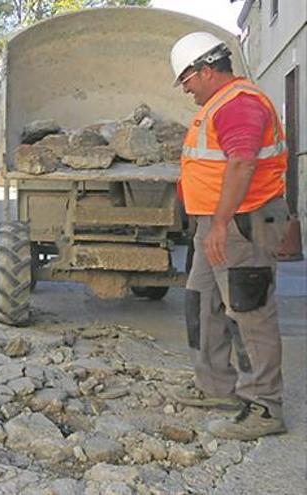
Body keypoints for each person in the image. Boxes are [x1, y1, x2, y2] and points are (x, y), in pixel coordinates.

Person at [169, 32, 289, 440]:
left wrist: (219, 223)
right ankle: (216, 386)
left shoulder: (240, 103)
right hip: (218, 221)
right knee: (201, 301)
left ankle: (264, 407)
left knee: (249, 311)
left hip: (242, 222)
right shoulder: (221, 103)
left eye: (187, 78)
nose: (185, 88)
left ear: (206, 70)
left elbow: (241, 164)